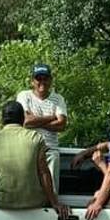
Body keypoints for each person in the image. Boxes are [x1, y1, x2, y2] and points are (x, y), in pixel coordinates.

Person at [0, 101, 70, 219]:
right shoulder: (35, 137)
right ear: (23, 119)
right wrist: (54, 203)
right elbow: (44, 172)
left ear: (2, 120)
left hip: (2, 203)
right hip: (34, 203)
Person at [16, 64, 68, 193]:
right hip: (28, 148)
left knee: (51, 190)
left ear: (50, 80)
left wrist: (36, 121)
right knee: (27, 189)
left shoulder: (58, 99)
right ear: (32, 81)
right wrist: (52, 117)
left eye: (45, 78)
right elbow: (26, 121)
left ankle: (51, 208)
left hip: (49, 149)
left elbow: (62, 124)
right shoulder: (24, 95)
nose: (42, 82)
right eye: (38, 78)